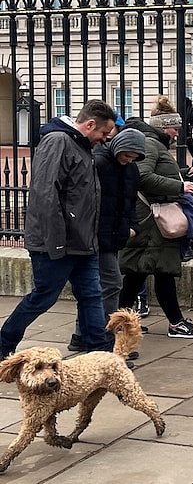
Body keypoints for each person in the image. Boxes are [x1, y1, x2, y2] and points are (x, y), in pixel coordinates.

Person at [0, 100, 117, 359]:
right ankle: (3, 343)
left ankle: (101, 354)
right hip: (57, 243)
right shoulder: (58, 141)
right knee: (43, 297)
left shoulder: (80, 145)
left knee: (91, 295)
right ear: (90, 125)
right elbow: (44, 194)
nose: (104, 140)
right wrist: (57, 243)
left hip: (82, 242)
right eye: (103, 133)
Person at [118, 95, 193, 339]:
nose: (177, 133)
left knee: (139, 273)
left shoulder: (156, 144)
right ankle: (175, 323)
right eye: (175, 128)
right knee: (160, 271)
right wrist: (180, 187)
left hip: (152, 220)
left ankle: (120, 321)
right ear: (163, 126)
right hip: (151, 220)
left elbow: (158, 173)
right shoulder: (150, 144)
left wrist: (185, 174)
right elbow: (142, 177)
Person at [67, 127, 147, 368]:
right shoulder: (100, 164)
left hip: (113, 235)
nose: (129, 160)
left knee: (94, 287)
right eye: (127, 154)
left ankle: (83, 335)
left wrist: (131, 226)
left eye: (134, 157)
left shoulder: (130, 169)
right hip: (97, 235)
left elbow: (129, 201)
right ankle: (102, 337)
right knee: (111, 284)